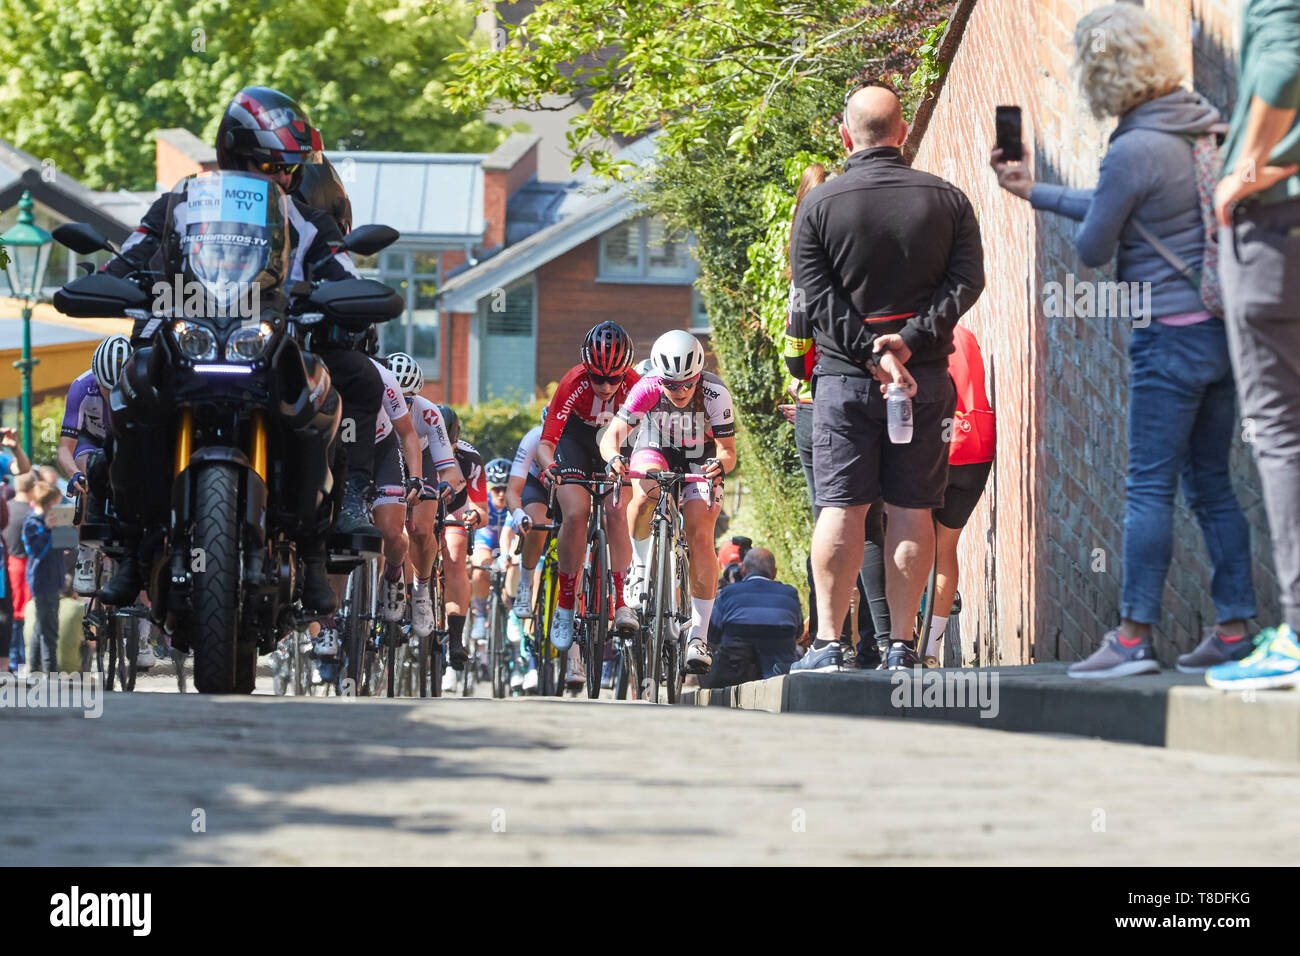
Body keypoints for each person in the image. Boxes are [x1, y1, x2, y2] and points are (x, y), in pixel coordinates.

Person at [991, 3, 1257, 679]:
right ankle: (1234, 628)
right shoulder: (1196, 124)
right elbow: (1126, 202)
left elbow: (1094, 244)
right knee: (1212, 487)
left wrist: (1082, 215)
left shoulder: (1133, 146)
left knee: (1146, 489)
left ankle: (1133, 638)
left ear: (1102, 72)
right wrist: (1034, 192)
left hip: (1166, 340)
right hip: (1221, 334)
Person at [98, 86, 375, 613]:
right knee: (129, 389)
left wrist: (348, 295)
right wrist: (110, 282)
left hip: (271, 341)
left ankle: (319, 545)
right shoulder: (179, 202)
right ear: (237, 155)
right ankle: (132, 547)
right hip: (187, 334)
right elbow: (130, 255)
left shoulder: (303, 218)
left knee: (336, 390)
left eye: (291, 170)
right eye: (275, 166)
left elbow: (342, 267)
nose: (286, 179)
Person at [788, 80, 984, 672]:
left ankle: (827, 643)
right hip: (923, 383)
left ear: (846, 136)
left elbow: (815, 298)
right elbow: (967, 283)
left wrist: (870, 353)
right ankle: (902, 645)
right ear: (902, 133)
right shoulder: (948, 200)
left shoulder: (819, 207)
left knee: (842, 508)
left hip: (845, 385)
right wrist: (912, 340)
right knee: (911, 508)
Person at [1204, 0, 1300, 690]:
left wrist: (1242, 166)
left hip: (1276, 227)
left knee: (1279, 430)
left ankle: (1295, 630)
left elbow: (1286, 61)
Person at [782, 162, 887, 669]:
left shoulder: (804, 266)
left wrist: (811, 368)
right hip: (891, 386)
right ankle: (886, 642)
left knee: (837, 518)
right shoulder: (871, 244)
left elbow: (796, 354)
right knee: (884, 520)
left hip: (825, 398)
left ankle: (832, 642)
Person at [603, 329, 736, 673]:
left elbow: (728, 451)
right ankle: (641, 568)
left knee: (700, 533)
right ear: (659, 378)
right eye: (671, 385)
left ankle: (698, 636)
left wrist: (720, 466)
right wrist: (613, 458)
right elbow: (613, 435)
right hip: (655, 446)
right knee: (644, 490)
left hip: (699, 458)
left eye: (687, 384)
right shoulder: (646, 386)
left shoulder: (714, 392)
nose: (679, 391)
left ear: (698, 377)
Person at [534, 321, 640, 668]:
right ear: (586, 369)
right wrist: (550, 467)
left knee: (616, 510)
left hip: (616, 445)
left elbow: (651, 438)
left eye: (615, 378)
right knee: (576, 513)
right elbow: (546, 444)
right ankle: (566, 603)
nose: (607, 385)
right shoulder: (573, 382)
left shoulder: (636, 386)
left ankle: (621, 601)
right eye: (598, 378)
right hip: (575, 441)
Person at [385, 353, 463, 639]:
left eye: (408, 400)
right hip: (386, 455)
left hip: (424, 456)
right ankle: (385, 582)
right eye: (394, 396)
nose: (401, 405)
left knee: (420, 528)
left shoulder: (428, 412)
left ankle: (421, 591)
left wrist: (446, 486)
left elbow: (450, 470)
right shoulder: (373, 404)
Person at [60, 335, 130, 595]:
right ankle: (87, 556)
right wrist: (74, 474)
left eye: (117, 390)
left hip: (123, 442)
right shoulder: (81, 387)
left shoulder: (141, 385)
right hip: (91, 441)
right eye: (105, 388)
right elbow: (65, 449)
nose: (110, 396)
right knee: (90, 473)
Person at [699, 548, 802, 688]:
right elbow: (799, 633)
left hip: (733, 676)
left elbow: (712, 635)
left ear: (743, 569)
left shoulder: (728, 594)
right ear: (775, 572)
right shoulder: (790, 594)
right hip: (779, 673)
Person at [22, 481, 65, 673]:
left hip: (54, 578)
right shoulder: (32, 523)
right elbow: (36, 550)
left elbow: (64, 546)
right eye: (56, 503)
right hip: (41, 580)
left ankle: (34, 668)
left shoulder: (51, 522)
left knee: (42, 623)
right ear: (48, 503)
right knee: (49, 628)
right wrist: (48, 530)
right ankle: (50, 671)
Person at [4, 471, 33, 674]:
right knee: (24, 616)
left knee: (10, 615)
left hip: (9, 565)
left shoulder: (8, 507)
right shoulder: (31, 513)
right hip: (27, 567)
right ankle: (22, 661)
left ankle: (12, 660)